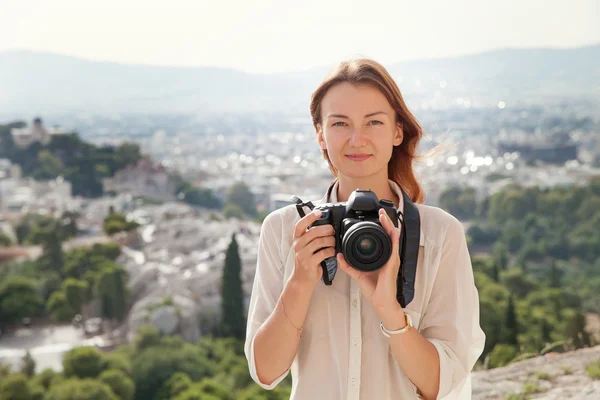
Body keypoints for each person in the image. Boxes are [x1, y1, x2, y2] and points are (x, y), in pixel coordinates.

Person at [244, 58, 485, 400]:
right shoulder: (286, 230)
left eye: (373, 121)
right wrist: (299, 281)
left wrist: (390, 310)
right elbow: (266, 371)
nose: (357, 139)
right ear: (321, 135)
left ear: (397, 131)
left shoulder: (439, 234)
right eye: (340, 123)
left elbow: (440, 384)